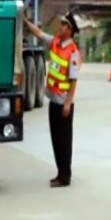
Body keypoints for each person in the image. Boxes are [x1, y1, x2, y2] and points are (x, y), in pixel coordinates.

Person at [23, 11, 81, 187]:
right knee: (56, 139)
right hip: (53, 101)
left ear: (70, 30)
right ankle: (59, 172)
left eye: (64, 25)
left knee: (64, 140)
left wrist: (68, 103)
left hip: (63, 103)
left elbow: (73, 80)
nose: (60, 27)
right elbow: (39, 33)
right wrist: (25, 22)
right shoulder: (55, 42)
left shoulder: (73, 52)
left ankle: (65, 175)